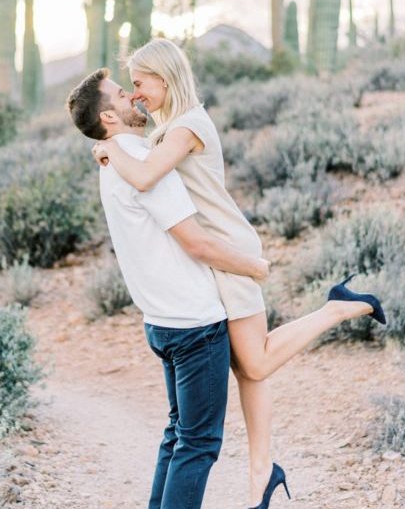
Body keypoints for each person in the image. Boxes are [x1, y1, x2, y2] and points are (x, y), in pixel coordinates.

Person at [90, 39, 386, 509]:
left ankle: (338, 306)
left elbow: (144, 177)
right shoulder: (166, 129)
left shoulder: (187, 126)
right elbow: (144, 171)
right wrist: (112, 149)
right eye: (132, 89)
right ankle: (261, 474)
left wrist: (106, 149)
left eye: (141, 84)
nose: (138, 93)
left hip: (227, 251)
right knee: (248, 370)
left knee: (256, 363)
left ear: (165, 78)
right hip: (212, 256)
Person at [66, 69, 276, 509]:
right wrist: (253, 267)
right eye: (124, 94)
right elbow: (197, 243)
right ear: (109, 115)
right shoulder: (140, 161)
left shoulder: (114, 159)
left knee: (179, 435)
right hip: (194, 324)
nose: (134, 97)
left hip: (161, 323)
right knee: (198, 445)